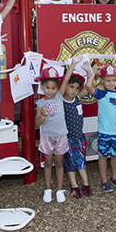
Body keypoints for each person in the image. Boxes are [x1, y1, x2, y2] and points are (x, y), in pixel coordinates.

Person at [84, 62, 116, 193]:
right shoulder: (101, 94)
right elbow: (88, 86)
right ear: (102, 81)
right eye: (108, 80)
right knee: (103, 157)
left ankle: (114, 178)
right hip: (104, 133)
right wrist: (93, 72)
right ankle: (104, 180)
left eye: (114, 80)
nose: (111, 83)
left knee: (115, 156)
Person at [35, 66, 69, 203]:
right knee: (48, 163)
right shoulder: (40, 103)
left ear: (57, 88)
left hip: (61, 135)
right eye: (47, 88)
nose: (50, 91)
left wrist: (72, 64)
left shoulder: (59, 97)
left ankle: (60, 190)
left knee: (59, 163)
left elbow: (66, 79)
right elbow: (37, 123)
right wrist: (43, 115)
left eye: (53, 88)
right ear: (42, 87)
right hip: (47, 136)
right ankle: (48, 189)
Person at [59, 56, 92, 198]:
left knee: (81, 160)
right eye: (71, 87)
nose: (74, 90)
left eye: (77, 88)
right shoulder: (60, 99)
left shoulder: (78, 98)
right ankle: (74, 185)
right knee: (69, 162)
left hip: (79, 137)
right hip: (67, 138)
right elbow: (66, 79)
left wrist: (88, 71)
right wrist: (73, 64)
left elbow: (90, 87)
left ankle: (86, 183)